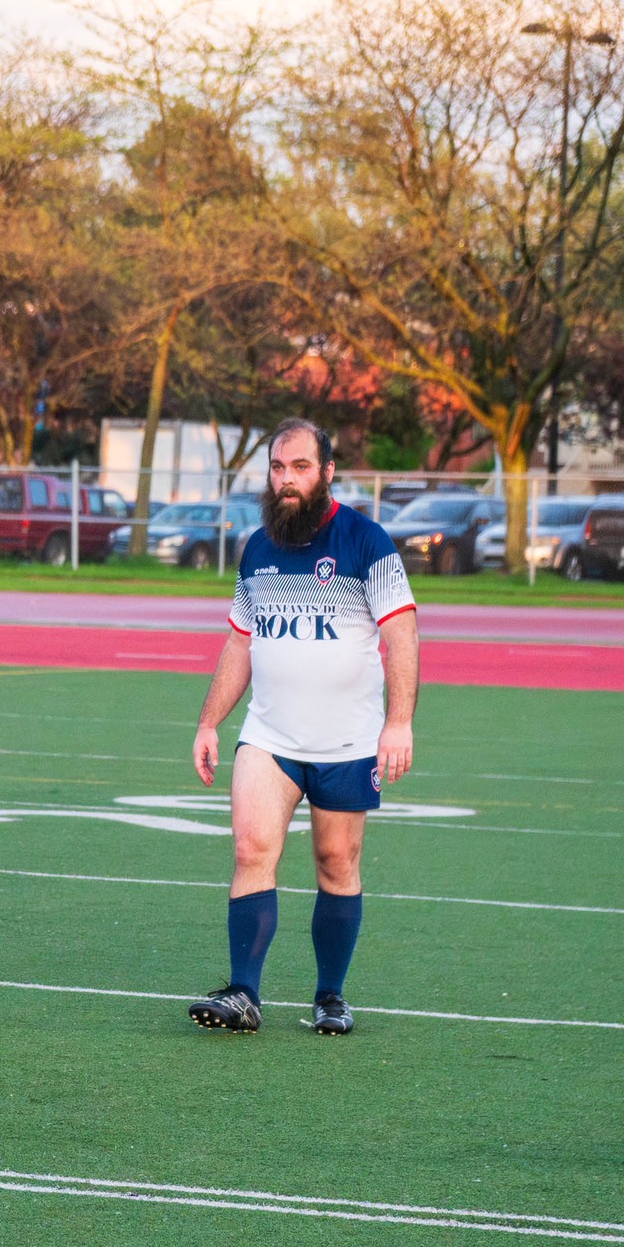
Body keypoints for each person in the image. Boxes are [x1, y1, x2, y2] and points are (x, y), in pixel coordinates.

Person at [188, 418, 418, 1037]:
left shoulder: (368, 542)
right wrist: (210, 721)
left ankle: (329, 995)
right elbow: (240, 645)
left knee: (336, 862)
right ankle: (244, 992)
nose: (287, 480)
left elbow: (402, 636)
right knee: (250, 851)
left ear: (327, 472)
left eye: (300, 468)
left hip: (348, 742)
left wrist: (398, 724)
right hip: (269, 738)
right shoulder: (258, 547)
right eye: (277, 468)